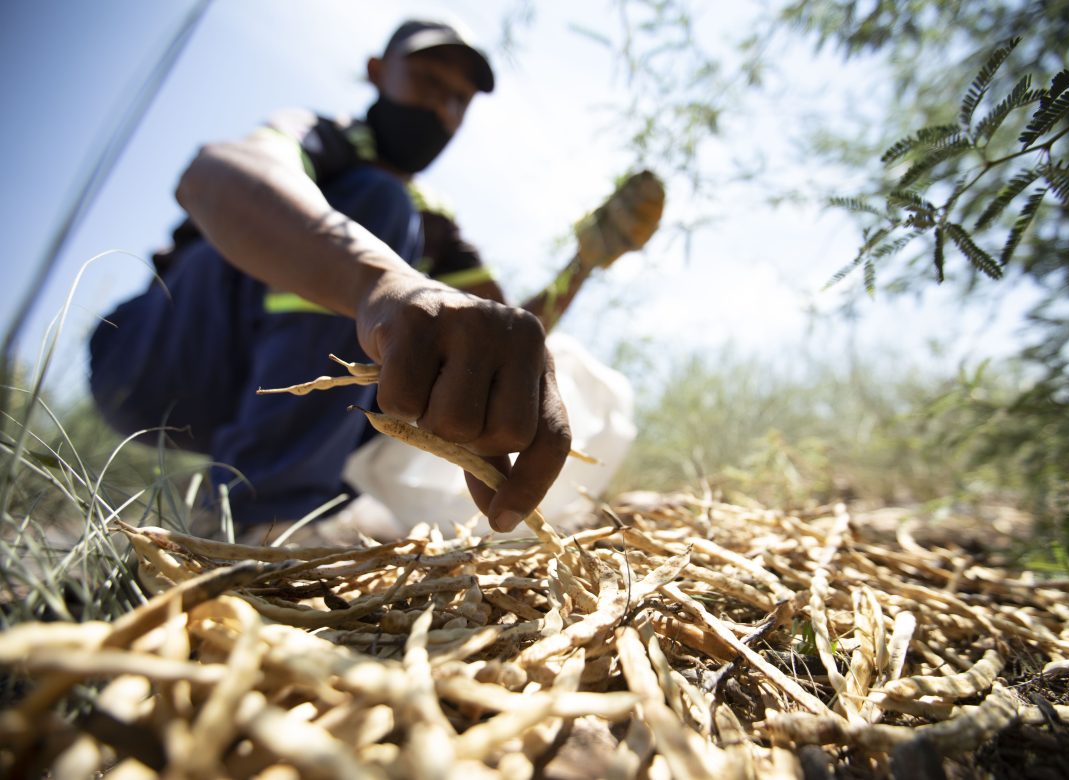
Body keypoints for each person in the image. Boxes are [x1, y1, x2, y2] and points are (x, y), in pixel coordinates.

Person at [89, 18, 659, 542]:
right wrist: (384, 287)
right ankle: (258, 515)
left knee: (455, 356)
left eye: (459, 98)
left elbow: (502, 335)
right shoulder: (322, 138)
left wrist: (580, 267)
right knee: (375, 204)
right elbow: (212, 177)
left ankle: (296, 499)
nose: (442, 103)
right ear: (377, 73)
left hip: (250, 391)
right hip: (154, 359)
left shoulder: (432, 218)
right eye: (429, 78)